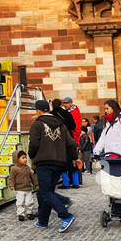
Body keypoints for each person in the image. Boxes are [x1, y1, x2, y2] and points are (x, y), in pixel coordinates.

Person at [28, 98, 79, 231]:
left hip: (44, 161)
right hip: (59, 162)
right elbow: (71, 143)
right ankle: (43, 221)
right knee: (48, 191)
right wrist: (74, 157)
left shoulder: (37, 124)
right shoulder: (61, 124)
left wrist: (31, 155)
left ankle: (65, 215)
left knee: (45, 192)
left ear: (38, 111)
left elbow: (34, 143)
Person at [8, 149, 38, 220]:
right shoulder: (14, 169)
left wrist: (36, 184)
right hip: (19, 189)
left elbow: (32, 177)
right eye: (23, 158)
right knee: (20, 202)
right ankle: (21, 214)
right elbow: (11, 178)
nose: (25, 159)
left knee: (29, 202)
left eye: (25, 158)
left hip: (28, 189)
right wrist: (11, 185)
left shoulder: (27, 168)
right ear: (17, 159)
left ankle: (29, 213)